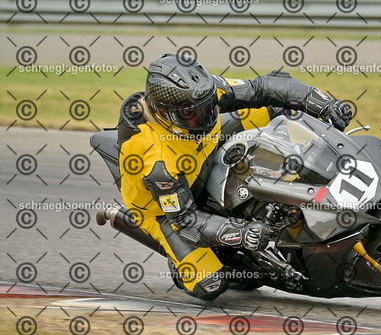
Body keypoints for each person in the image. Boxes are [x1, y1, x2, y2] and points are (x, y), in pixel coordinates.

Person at [117, 53, 352, 301]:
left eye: (208, 106)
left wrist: (320, 102)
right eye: (191, 114)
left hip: (205, 146)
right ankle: (178, 259)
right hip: (165, 210)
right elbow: (187, 221)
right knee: (209, 285)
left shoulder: (203, 92)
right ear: (163, 114)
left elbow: (263, 87)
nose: (204, 116)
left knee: (280, 110)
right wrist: (242, 232)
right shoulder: (156, 161)